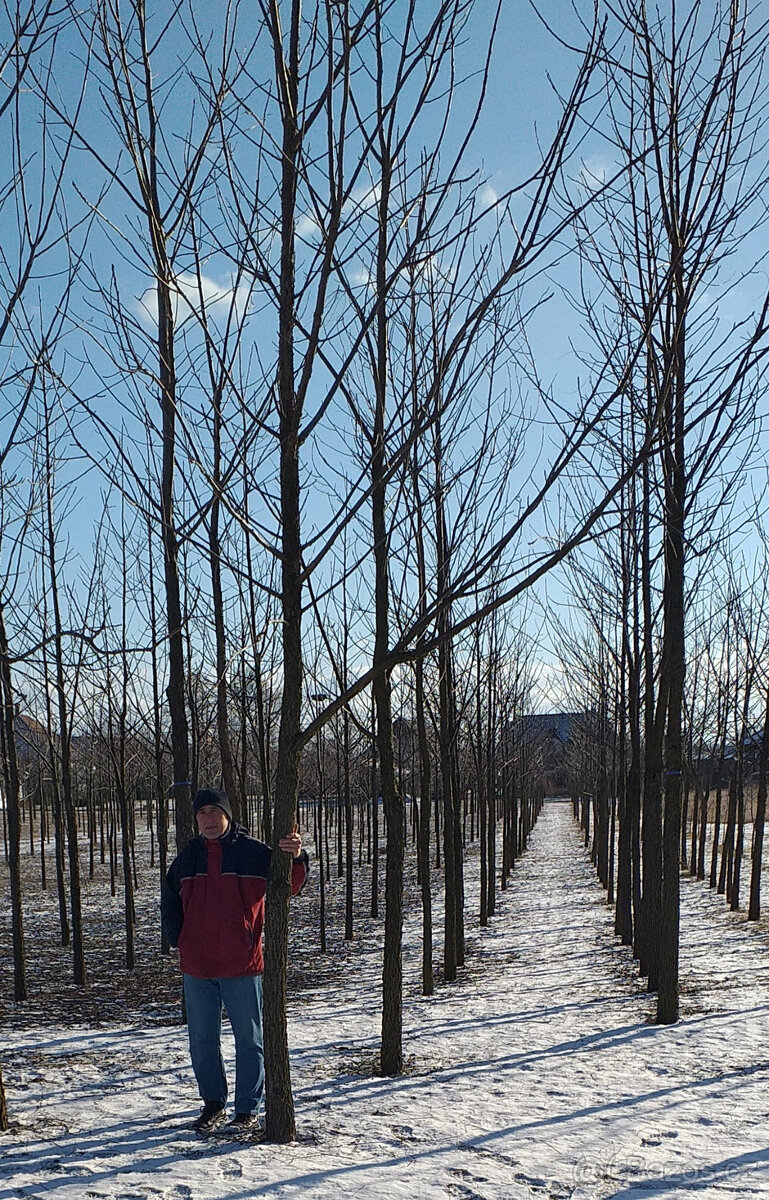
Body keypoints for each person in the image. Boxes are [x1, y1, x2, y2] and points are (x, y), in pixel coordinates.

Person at [161, 787, 309, 1134]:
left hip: (242, 965)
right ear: (195, 819)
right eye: (202, 814)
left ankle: (247, 1107)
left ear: (228, 815)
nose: (209, 820)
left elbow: (289, 884)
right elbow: (169, 900)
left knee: (250, 1040)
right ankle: (213, 1102)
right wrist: (178, 938)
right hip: (196, 968)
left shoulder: (254, 853)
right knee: (201, 1040)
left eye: (215, 812)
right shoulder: (187, 857)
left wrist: (297, 857)